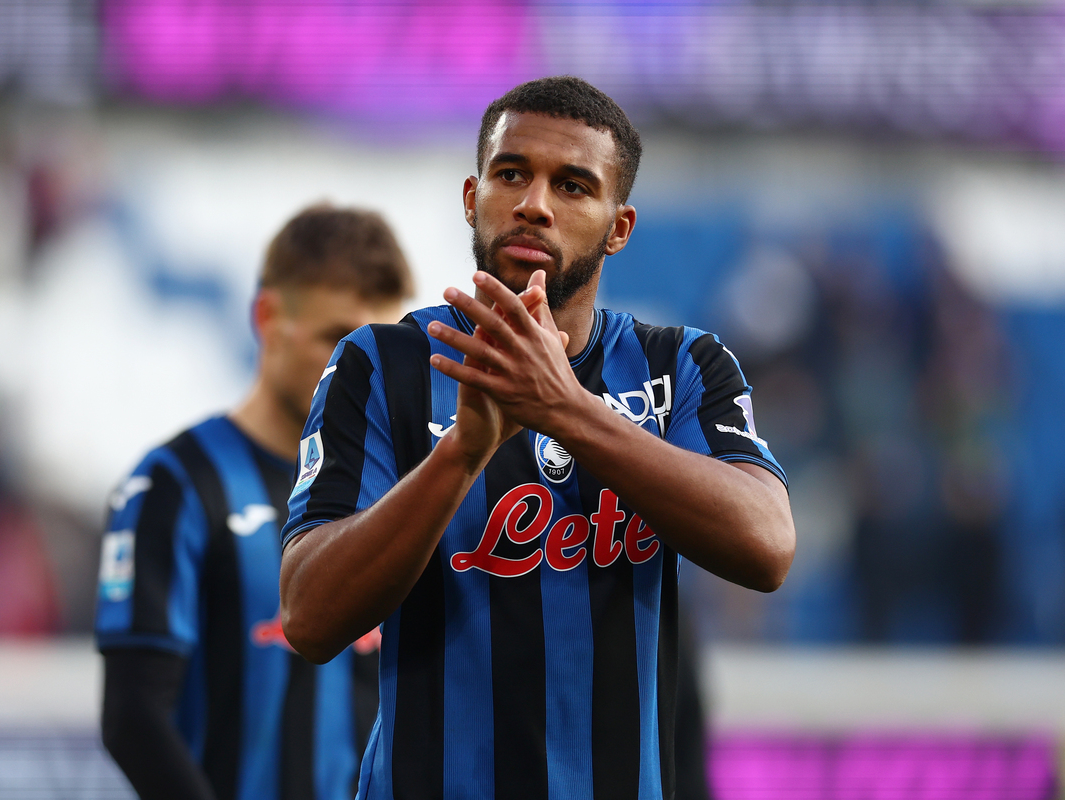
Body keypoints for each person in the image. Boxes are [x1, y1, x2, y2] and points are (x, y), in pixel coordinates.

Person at [279, 77, 796, 800]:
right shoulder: (380, 363)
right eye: (511, 173)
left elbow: (767, 544)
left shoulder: (681, 366)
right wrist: (460, 454)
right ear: (473, 196)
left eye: (574, 186)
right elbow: (308, 618)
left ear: (619, 228)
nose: (534, 205)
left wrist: (564, 410)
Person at [95, 205, 413, 800]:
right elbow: (133, 718)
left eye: (379, 348)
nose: (360, 371)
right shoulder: (176, 483)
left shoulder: (404, 497)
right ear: (267, 318)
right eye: (338, 340)